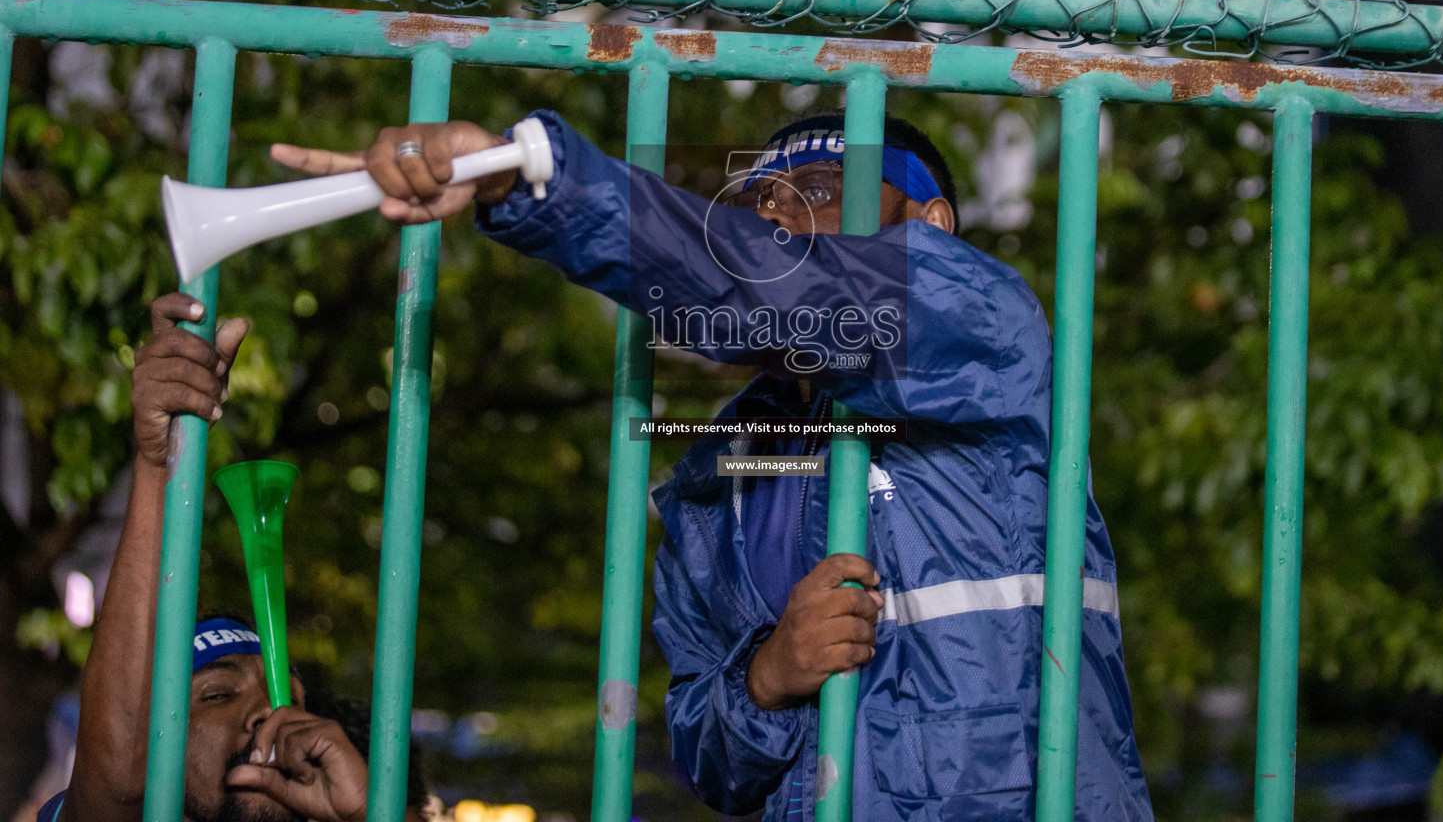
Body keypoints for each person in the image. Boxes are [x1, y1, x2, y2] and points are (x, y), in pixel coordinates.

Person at [271, 109, 1152, 820]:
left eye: (817, 190)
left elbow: (782, 290)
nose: (773, 217)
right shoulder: (712, 483)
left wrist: (527, 174)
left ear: (929, 224)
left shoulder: (982, 316)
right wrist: (767, 678)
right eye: (759, 204)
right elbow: (708, 759)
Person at [38, 294, 428, 822]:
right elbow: (119, 786)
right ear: (154, 746)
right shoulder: (122, 785)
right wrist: (160, 462)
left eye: (286, 694)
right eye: (217, 695)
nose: (269, 711)